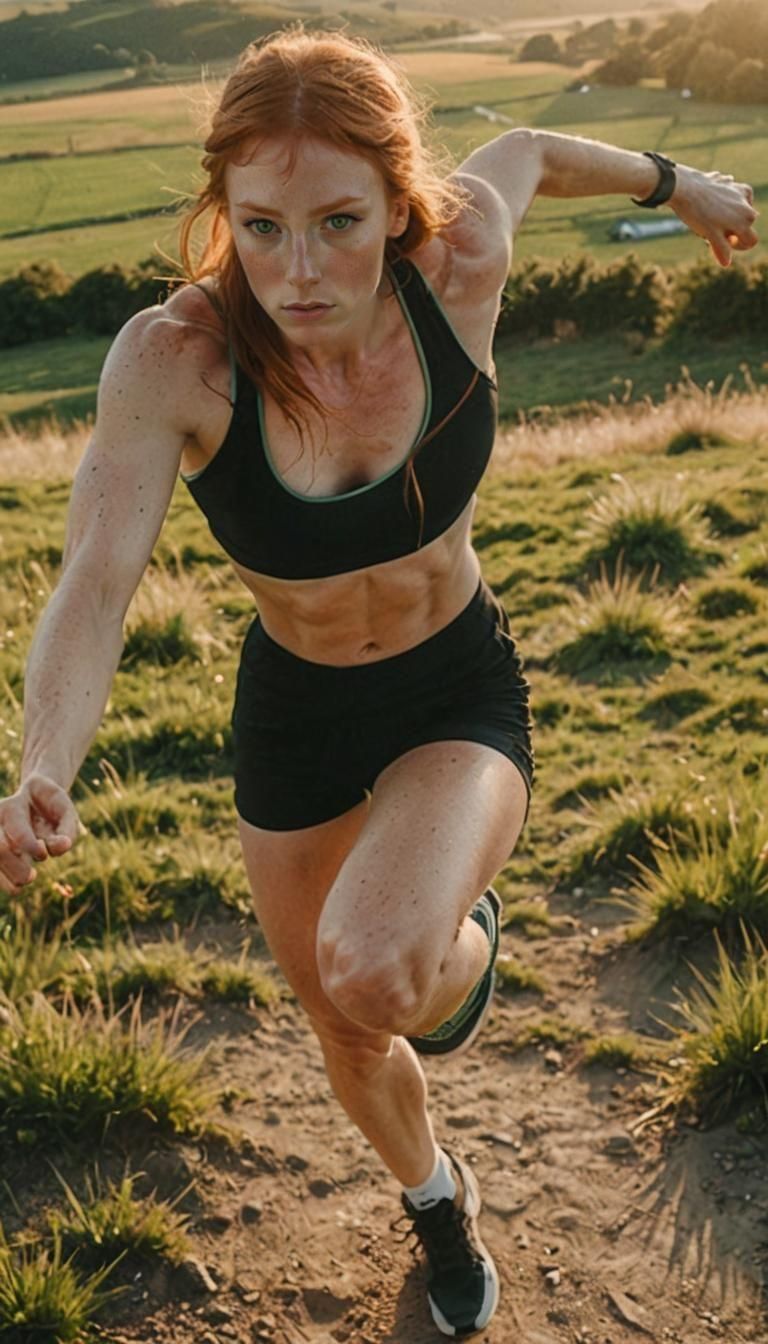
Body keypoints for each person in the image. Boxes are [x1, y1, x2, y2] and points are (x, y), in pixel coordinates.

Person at [0, 26, 758, 1338]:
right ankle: (436, 1196)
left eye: (339, 222)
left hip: (453, 688)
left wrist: (677, 183)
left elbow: (527, 149)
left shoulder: (459, 264)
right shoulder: (176, 359)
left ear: (401, 204)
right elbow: (95, 582)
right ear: (224, 211)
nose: (298, 271)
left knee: (378, 966)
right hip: (294, 711)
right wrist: (42, 770)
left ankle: (457, 940)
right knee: (346, 1024)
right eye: (261, 227)